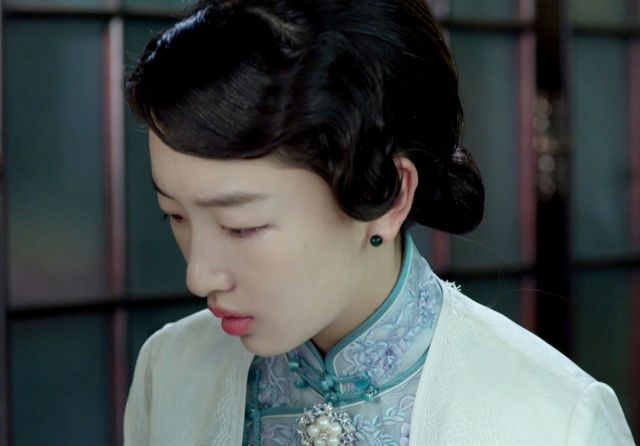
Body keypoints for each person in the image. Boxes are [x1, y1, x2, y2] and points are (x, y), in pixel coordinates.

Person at [123, 0, 635, 444]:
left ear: (386, 194)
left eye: (241, 226)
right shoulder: (168, 371)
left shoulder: (556, 421)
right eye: (175, 215)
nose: (199, 276)